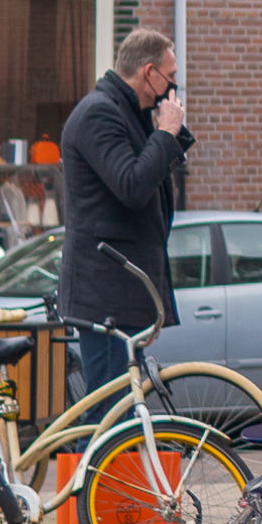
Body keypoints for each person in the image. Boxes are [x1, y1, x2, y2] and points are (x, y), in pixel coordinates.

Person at [57, 28, 191, 398]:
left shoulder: (129, 113)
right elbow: (132, 186)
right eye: (171, 75)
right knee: (108, 415)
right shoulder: (99, 113)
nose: (175, 85)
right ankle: (91, 460)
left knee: (124, 413)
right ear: (149, 72)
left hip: (123, 294)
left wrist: (167, 136)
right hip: (104, 297)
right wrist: (165, 133)